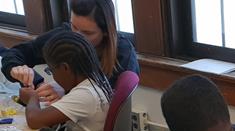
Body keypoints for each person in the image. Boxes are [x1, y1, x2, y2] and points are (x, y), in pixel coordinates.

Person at [1, 0, 138, 103]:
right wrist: (28, 76)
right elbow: (16, 54)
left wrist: (65, 92)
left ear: (106, 32)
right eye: (74, 26)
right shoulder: (65, 34)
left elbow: (105, 101)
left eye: (87, 33)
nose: (76, 36)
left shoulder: (123, 53)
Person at [19, 30, 112, 131]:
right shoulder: (97, 79)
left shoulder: (85, 94)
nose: (54, 77)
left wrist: (31, 98)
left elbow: (34, 120)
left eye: (51, 70)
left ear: (65, 68)